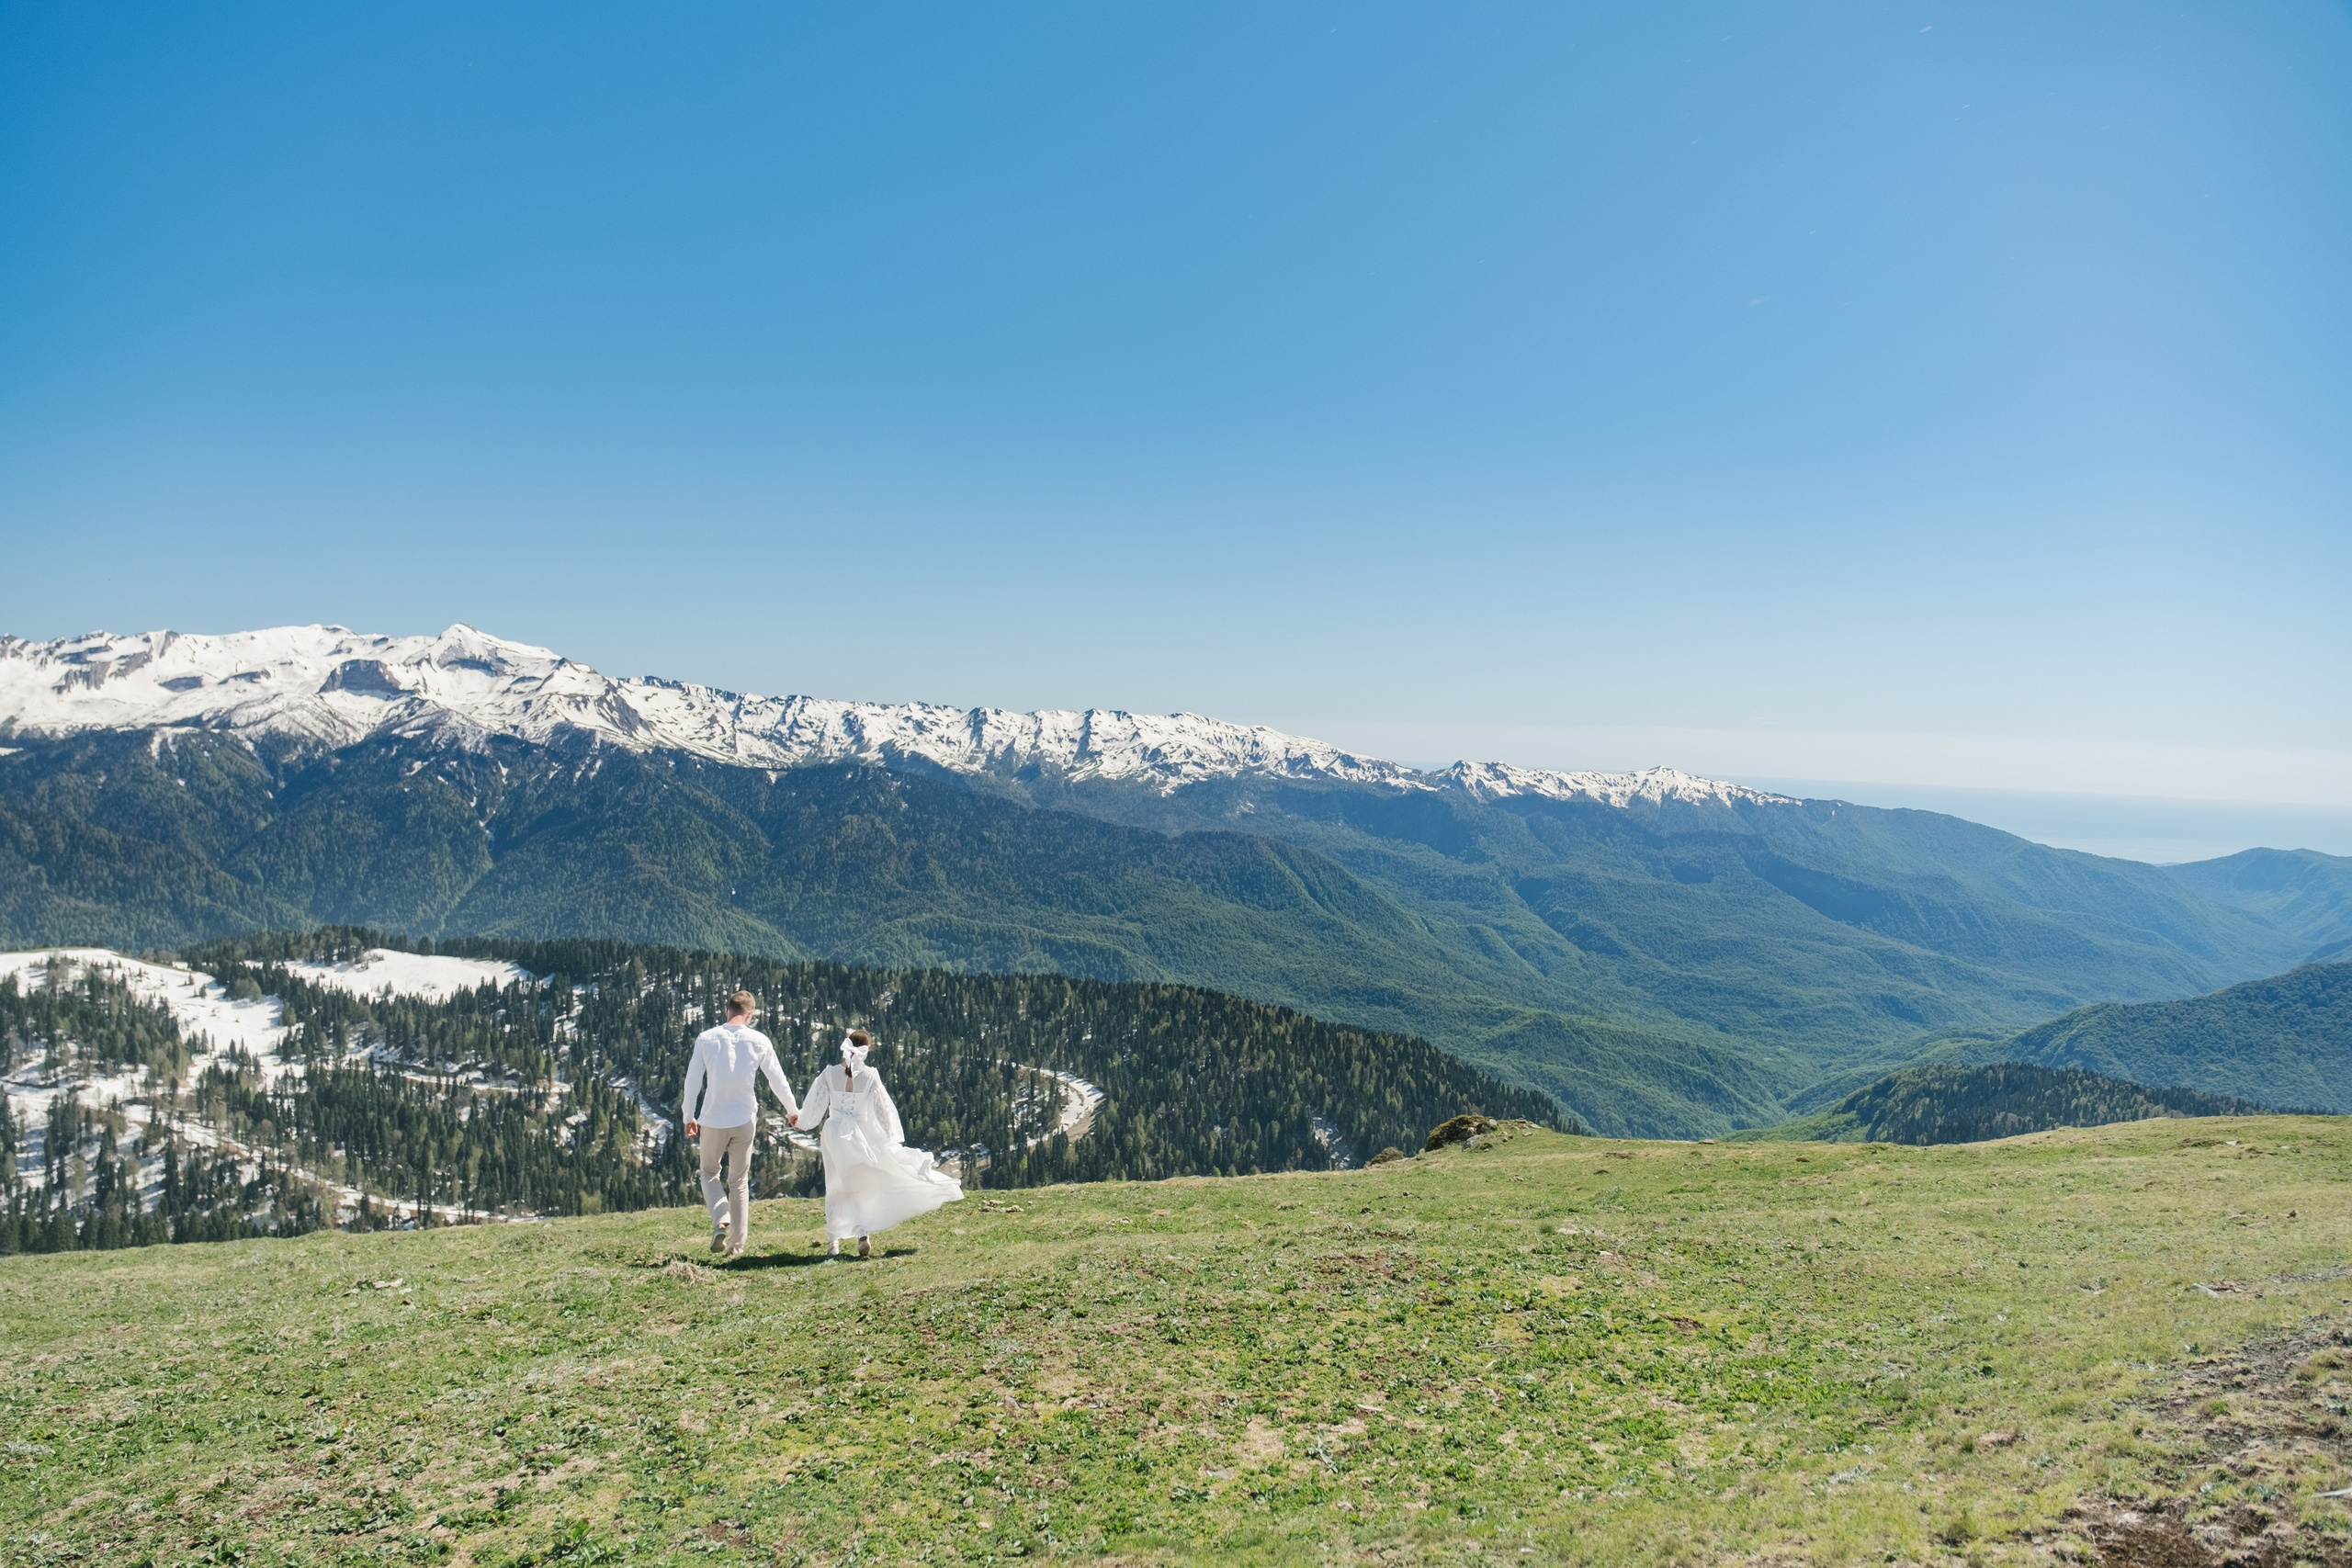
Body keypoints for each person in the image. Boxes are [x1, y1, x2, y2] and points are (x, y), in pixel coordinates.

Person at [794, 1029, 962, 1257]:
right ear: (867, 1049)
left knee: (835, 1185)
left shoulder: (828, 1074)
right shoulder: (871, 1075)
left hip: (834, 1133)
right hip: (861, 1135)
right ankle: (863, 1233)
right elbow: (883, 1110)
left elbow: (815, 1105)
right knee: (862, 1185)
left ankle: (833, 1242)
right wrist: (888, 1137)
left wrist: (800, 1122)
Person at [682, 990, 798, 1257]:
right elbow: (777, 1080)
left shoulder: (706, 1039)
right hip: (744, 1119)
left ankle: (721, 1219)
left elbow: (692, 1083)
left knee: (709, 1173)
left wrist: (689, 1116)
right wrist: (792, 1110)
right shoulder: (759, 1041)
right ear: (750, 1014)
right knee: (739, 1181)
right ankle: (736, 1246)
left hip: (712, 1119)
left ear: (727, 1011)